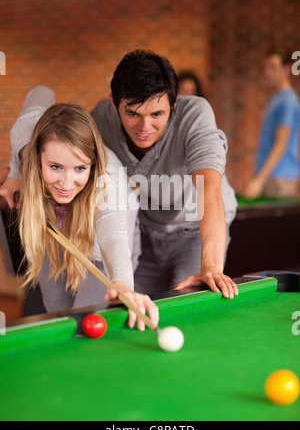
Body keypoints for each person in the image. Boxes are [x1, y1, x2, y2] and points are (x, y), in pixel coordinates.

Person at [2, 49, 238, 300]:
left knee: (194, 307)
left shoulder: (196, 115)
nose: (145, 128)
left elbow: (209, 188)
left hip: (193, 231)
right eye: (133, 113)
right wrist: (19, 168)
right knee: (128, 307)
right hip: (144, 230)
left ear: (174, 104)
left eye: (157, 114)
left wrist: (211, 267)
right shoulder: (101, 120)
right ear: (114, 103)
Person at [5, 98, 159, 331]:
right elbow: (41, 92)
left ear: (93, 164)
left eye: (80, 168)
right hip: (55, 238)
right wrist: (16, 170)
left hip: (100, 254)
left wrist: (124, 286)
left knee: (85, 323)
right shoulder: (25, 139)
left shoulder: (110, 183)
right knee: (57, 317)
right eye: (55, 166)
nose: (66, 183)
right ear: (37, 157)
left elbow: (113, 237)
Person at [244, 46, 300, 199]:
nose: (267, 72)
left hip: (279, 177)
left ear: (287, 68)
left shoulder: (288, 101)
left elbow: (281, 144)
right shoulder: (276, 98)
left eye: (273, 67)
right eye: (266, 67)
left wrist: (259, 180)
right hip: (270, 175)